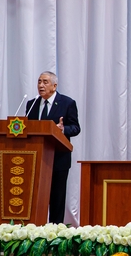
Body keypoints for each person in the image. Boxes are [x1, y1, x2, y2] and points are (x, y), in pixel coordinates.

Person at [25, 71, 80, 223]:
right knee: (36, 198)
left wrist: (63, 130)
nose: (41, 85)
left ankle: (55, 232)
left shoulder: (67, 103)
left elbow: (76, 128)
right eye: (39, 82)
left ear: (54, 86)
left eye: (45, 82)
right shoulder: (32, 104)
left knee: (57, 198)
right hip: (36, 159)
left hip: (58, 159)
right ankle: (33, 229)